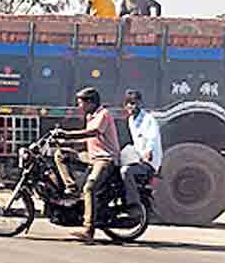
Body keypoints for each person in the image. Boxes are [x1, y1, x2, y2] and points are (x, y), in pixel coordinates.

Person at [53, 87, 120, 243]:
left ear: (90, 102)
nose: (79, 106)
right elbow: (87, 140)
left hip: (105, 159)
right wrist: (65, 142)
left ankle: (88, 230)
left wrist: (67, 134)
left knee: (89, 188)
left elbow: (93, 132)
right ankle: (71, 188)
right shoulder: (90, 116)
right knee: (60, 154)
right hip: (91, 157)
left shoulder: (104, 114)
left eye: (81, 102)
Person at [120, 89, 161, 207]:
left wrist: (148, 151)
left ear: (140, 103)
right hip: (138, 157)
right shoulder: (131, 120)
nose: (132, 107)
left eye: (134, 103)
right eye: (129, 104)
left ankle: (133, 202)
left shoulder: (148, 119)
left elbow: (152, 137)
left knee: (125, 171)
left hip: (149, 160)